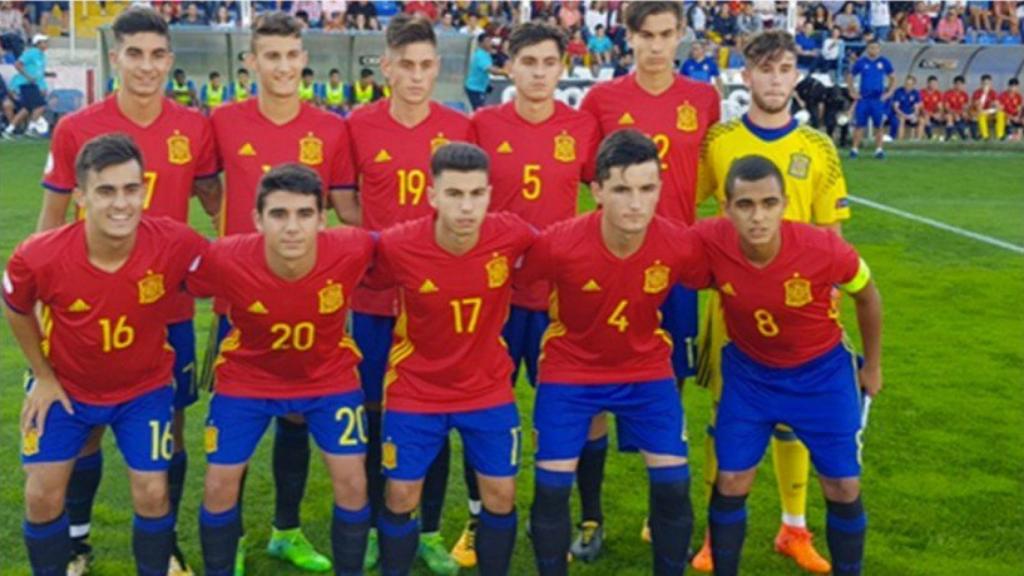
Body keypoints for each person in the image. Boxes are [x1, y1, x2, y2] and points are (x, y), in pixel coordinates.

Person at [35, 8, 221, 574]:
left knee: (174, 423)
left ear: (170, 60)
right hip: (89, 306)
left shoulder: (194, 127)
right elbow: (49, 222)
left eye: (157, 54)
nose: (146, 66)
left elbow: (219, 207)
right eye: (134, 54)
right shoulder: (76, 129)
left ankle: (163, 545)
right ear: (114, 58)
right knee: (83, 426)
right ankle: (76, 540)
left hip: (169, 308)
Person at [5, 133, 206, 576]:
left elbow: (230, 272)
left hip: (145, 389)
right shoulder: (40, 255)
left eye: (131, 189)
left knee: (153, 492)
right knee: (41, 495)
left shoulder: (176, 242)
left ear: (144, 191)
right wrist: (43, 374)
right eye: (106, 190)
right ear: (80, 196)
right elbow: (16, 306)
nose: (121, 203)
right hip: (67, 387)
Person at [695, 30, 852, 574]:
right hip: (732, 306)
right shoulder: (719, 140)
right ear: (747, 76)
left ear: (795, 75)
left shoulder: (818, 148)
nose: (775, 79)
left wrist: (827, 303)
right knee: (725, 418)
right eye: (764, 69)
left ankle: (794, 527)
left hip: (802, 310)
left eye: (785, 69)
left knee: (797, 424)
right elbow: (688, 205)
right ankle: (718, 537)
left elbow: (833, 234)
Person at [209, 11, 357, 573]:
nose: (282, 65)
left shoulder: (330, 128)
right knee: (237, 427)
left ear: (303, 59)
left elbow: (343, 209)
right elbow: (207, 188)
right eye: (270, 55)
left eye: (291, 55)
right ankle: (234, 538)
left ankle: (286, 531)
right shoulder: (222, 120)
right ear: (251, 62)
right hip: (241, 300)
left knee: (298, 416)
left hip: (309, 303)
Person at [522, 129, 706, 576]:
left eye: (647, 189)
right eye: (622, 189)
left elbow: (731, 276)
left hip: (645, 371)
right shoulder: (559, 242)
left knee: (673, 487)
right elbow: (508, 282)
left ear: (661, 189)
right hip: (570, 372)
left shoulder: (678, 244)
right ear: (597, 191)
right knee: (550, 490)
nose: (636, 203)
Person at [577, 2, 720, 559]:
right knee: (588, 387)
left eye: (667, 34)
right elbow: (590, 180)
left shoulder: (703, 99)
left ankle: (657, 515)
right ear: (629, 37)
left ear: (680, 35)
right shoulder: (602, 100)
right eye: (646, 35)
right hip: (610, 266)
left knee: (670, 380)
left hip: (675, 264)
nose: (657, 45)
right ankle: (590, 518)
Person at [697, 155, 882, 576]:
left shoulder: (825, 248)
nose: (758, 216)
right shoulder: (709, 240)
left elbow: (869, 296)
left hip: (822, 376)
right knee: (731, 480)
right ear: (725, 208)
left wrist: (872, 366)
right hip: (750, 376)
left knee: (842, 484)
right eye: (745, 205)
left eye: (768, 203)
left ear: (784, 205)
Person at [458, 21, 600, 569]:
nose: (539, 73)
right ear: (509, 67)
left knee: (582, 408)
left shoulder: (582, 126)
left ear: (562, 67)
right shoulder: (482, 124)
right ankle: (477, 516)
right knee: (481, 403)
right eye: (529, 62)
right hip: (494, 294)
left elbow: (604, 194)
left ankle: (588, 519)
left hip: (562, 296)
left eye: (549, 62)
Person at [189, 164, 375, 576]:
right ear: (257, 220)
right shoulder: (224, 257)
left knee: (352, 482)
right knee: (220, 482)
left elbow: (410, 245)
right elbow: (172, 275)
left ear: (321, 219)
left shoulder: (353, 247)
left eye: (304, 214)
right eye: (278, 215)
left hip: (328, 376)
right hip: (248, 377)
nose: (292, 227)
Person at [337, 13, 472, 574]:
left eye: (425, 66)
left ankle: (430, 531)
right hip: (374, 298)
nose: (416, 77)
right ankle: (372, 526)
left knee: (434, 412)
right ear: (385, 67)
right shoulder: (357, 126)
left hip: (435, 300)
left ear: (436, 67)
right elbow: (344, 198)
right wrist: (378, 248)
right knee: (372, 413)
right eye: (405, 66)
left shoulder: (460, 126)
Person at [366, 142, 534, 576]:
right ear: (432, 195)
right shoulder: (399, 245)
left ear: (490, 195)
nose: (466, 206)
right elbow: (350, 263)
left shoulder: (511, 234)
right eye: (455, 194)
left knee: (500, 495)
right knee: (401, 496)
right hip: (415, 387)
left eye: (476, 194)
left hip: (487, 386)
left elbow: (565, 250)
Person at [847, 40, 895, 159]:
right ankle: (854, 149)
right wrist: (852, 91)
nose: (873, 50)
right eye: (871, 48)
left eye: (875, 48)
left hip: (877, 99)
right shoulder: (861, 62)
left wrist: (889, 93)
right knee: (859, 125)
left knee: (879, 125)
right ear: (867, 49)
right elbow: (850, 76)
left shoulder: (884, 62)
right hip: (864, 98)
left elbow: (893, 78)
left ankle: (879, 150)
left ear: (879, 49)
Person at [2, 33, 48, 139]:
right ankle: (30, 128)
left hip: (33, 84)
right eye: (44, 42)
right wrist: (28, 77)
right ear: (37, 44)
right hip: (26, 83)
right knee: (40, 106)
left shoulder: (42, 56)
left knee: (27, 109)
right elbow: (17, 64)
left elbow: (38, 72)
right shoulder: (31, 53)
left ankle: (9, 130)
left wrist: (42, 84)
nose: (46, 44)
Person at [465, 34, 502, 110]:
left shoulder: (486, 54)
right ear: (480, 43)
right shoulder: (480, 55)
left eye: (490, 41)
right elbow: (491, 70)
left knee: (480, 110)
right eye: (487, 41)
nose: (490, 43)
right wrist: (506, 72)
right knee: (479, 110)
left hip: (481, 87)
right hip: (475, 88)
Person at [890, 74, 923, 140]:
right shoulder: (898, 91)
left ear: (913, 84)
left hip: (911, 114)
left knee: (921, 120)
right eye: (906, 83)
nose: (907, 85)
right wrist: (903, 115)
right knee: (902, 119)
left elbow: (917, 107)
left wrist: (915, 115)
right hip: (900, 114)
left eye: (910, 84)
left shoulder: (915, 92)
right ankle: (900, 140)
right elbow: (896, 107)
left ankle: (918, 140)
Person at [972, 74, 1003, 141]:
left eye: (988, 83)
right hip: (980, 113)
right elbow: (979, 108)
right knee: (981, 115)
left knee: (1000, 114)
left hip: (990, 113)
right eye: (984, 83)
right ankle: (985, 136)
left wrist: (996, 105)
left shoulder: (993, 92)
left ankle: (1000, 135)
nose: (986, 85)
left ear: (991, 83)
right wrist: (984, 94)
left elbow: (998, 107)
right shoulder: (977, 93)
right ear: (981, 83)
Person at [942, 75, 970, 141]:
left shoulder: (964, 94)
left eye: (961, 84)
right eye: (957, 84)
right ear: (954, 84)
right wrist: (955, 114)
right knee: (949, 117)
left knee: (966, 116)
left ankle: (967, 135)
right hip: (949, 114)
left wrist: (961, 113)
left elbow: (966, 107)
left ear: (963, 85)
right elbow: (947, 108)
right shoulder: (948, 93)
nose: (959, 86)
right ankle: (948, 137)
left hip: (960, 114)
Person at [919, 75, 944, 140]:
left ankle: (945, 138)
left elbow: (940, 107)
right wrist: (932, 114)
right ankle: (930, 136)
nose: (934, 85)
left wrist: (939, 114)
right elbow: (921, 108)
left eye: (935, 84)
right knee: (925, 117)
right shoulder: (921, 92)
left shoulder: (938, 93)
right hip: (923, 115)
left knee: (946, 117)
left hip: (934, 115)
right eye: (932, 83)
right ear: (928, 83)